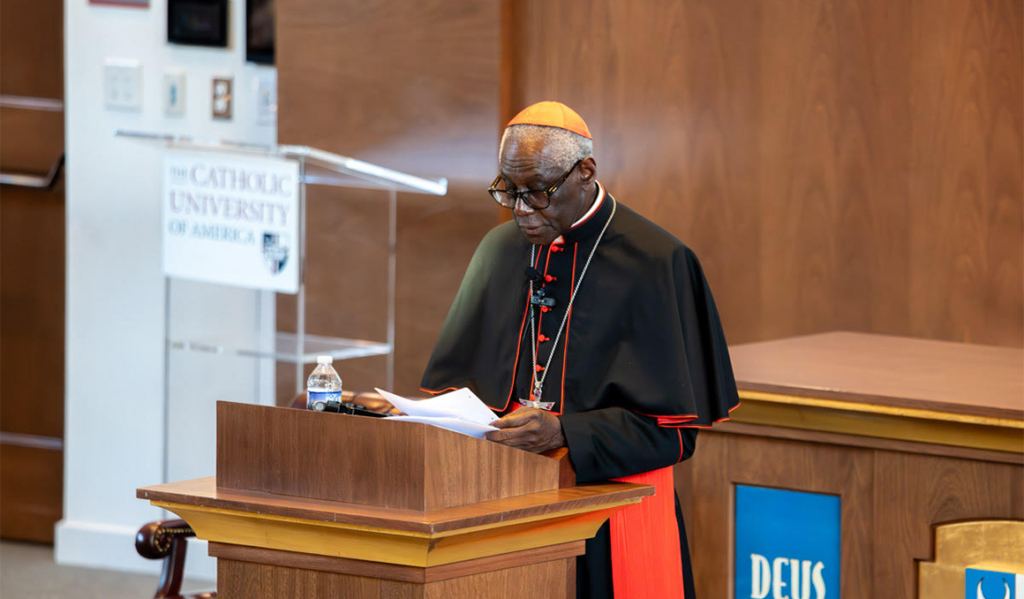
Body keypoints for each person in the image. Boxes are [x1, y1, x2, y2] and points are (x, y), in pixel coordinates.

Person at [416, 101, 740, 598]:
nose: (521, 209)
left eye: (538, 192)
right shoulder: (498, 250)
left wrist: (566, 430)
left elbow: (676, 437)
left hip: (609, 524)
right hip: (495, 514)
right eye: (509, 190)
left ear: (585, 172)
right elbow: (460, 393)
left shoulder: (658, 262)